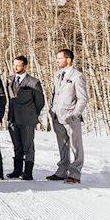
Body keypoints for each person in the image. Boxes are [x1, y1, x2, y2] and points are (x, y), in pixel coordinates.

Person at [46, 49, 88, 184]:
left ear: (68, 59)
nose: (57, 61)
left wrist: (75, 114)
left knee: (76, 146)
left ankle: (75, 174)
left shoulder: (78, 76)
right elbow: (55, 94)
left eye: (59, 58)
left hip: (71, 117)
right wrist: (52, 110)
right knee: (62, 145)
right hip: (57, 116)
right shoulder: (57, 74)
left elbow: (83, 99)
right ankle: (62, 172)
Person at [6, 55, 45, 180]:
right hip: (13, 118)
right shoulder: (9, 80)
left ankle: (28, 173)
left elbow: (40, 102)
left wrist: (32, 114)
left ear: (25, 66)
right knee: (17, 145)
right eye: (14, 64)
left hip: (27, 119)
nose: (15, 67)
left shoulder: (33, 82)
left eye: (18, 64)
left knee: (28, 146)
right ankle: (17, 171)